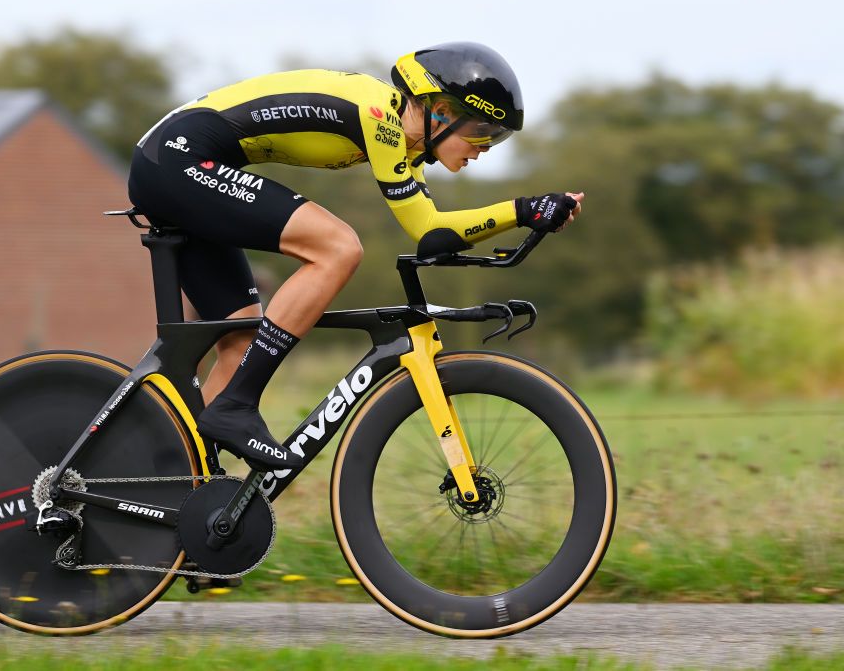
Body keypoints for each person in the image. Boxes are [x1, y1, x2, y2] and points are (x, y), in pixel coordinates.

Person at [128, 42, 583, 470]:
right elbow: (430, 232)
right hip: (176, 160)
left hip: (181, 163)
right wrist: (522, 210)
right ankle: (235, 404)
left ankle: (174, 491)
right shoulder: (380, 116)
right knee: (338, 247)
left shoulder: (400, 139)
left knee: (243, 336)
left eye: (497, 139)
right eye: (483, 132)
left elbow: (433, 233)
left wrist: (524, 213)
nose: (485, 149)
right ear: (441, 111)